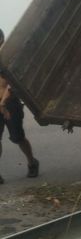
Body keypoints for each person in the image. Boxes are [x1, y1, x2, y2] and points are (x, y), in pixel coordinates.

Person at [0, 29, 39, 183]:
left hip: (10, 105)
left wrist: (2, 104)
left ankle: (32, 162)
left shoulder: (8, 57)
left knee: (17, 138)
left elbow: (11, 84)